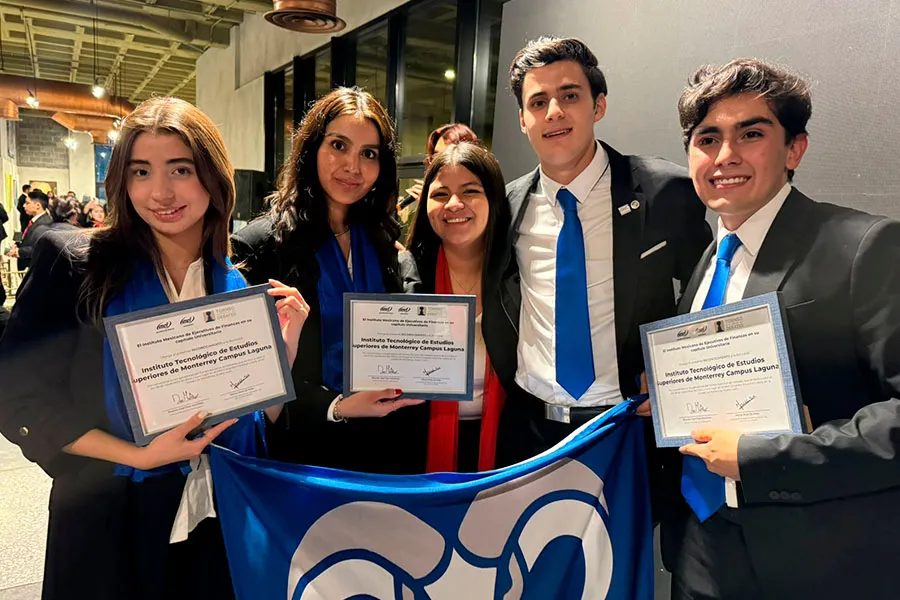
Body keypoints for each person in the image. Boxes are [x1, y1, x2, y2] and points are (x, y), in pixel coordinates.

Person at [0, 96, 309, 600]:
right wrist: (137, 456)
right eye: (141, 172)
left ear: (213, 178)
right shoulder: (78, 266)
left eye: (180, 169)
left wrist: (283, 353)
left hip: (218, 519)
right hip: (113, 523)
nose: (160, 192)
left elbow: (258, 419)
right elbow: (19, 399)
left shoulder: (233, 286)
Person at [659, 58, 900, 600]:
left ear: (795, 149)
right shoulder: (707, 260)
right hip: (700, 541)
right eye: (707, 138)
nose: (725, 156)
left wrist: (760, 458)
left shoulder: (865, 247)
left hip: (817, 557)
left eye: (751, 133)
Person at [482, 37, 712, 469]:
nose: (554, 112)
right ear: (522, 120)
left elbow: (704, 292)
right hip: (532, 430)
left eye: (569, 95)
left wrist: (675, 369)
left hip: (628, 426)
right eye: (538, 102)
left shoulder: (667, 191)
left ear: (598, 106)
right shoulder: (505, 206)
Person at [231, 87, 424, 473]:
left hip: (381, 452)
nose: (353, 166)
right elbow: (245, 379)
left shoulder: (385, 245)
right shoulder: (261, 246)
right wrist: (337, 406)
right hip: (299, 459)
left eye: (368, 153)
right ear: (310, 150)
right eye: (339, 145)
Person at [407, 142, 511, 472]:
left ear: (493, 199)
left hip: (511, 448)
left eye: (470, 191)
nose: (454, 204)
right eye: (440, 195)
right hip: (417, 449)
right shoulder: (403, 275)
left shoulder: (521, 275)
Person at [7, 189, 53, 270]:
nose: (24, 205)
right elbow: (29, 240)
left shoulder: (45, 223)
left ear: (38, 205)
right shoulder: (34, 220)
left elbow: (41, 248)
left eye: (27, 203)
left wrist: (19, 251)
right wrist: (18, 245)